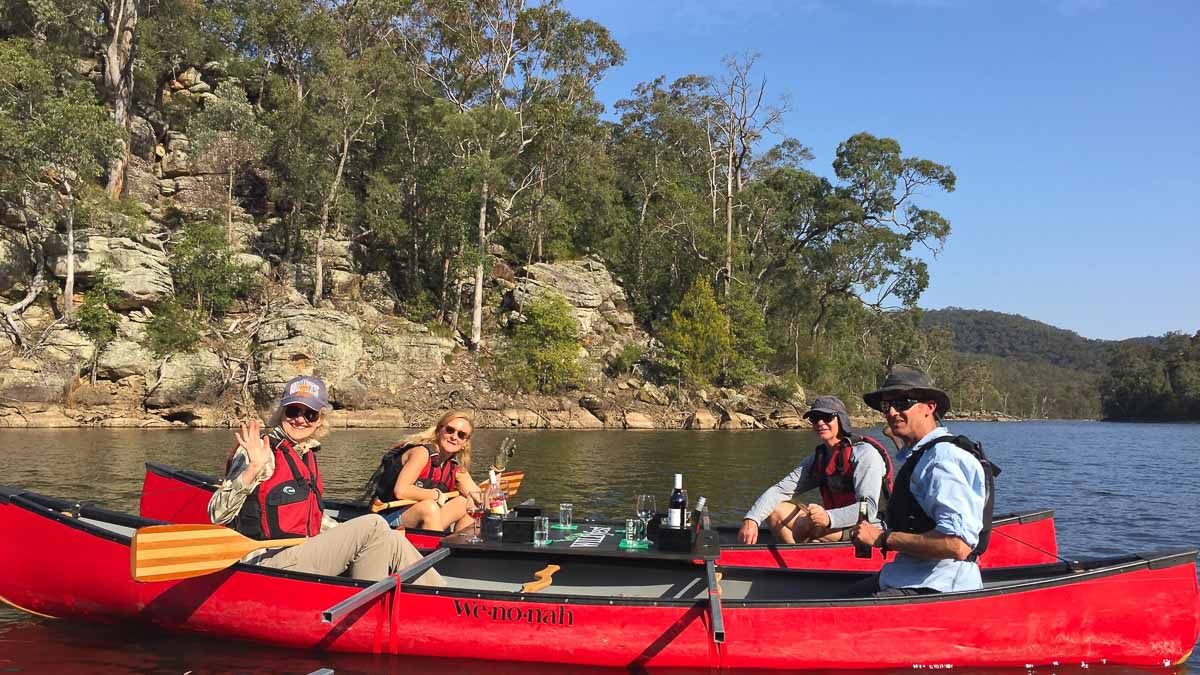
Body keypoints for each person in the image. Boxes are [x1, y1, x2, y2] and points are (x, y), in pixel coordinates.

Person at [207, 375, 444, 585]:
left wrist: (353, 534)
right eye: (293, 411)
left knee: (388, 536)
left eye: (309, 414)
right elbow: (217, 515)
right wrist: (253, 469)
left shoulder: (305, 453)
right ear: (281, 412)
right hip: (266, 561)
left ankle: (441, 600)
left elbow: (314, 520)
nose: (301, 419)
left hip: (301, 553)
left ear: (320, 420)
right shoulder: (259, 451)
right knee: (372, 525)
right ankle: (367, 611)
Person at [850, 364, 999, 596]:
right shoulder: (924, 454)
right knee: (839, 597)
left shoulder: (943, 459)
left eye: (902, 404)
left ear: (930, 407)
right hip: (905, 576)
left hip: (935, 587)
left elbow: (957, 545)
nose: (890, 413)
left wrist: (882, 538)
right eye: (886, 406)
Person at [738, 396, 893, 545]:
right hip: (834, 523)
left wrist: (828, 517)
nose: (820, 422)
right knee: (774, 510)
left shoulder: (865, 454)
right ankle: (797, 562)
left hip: (868, 528)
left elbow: (868, 509)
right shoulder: (819, 459)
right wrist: (751, 519)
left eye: (827, 417)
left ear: (841, 420)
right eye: (815, 418)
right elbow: (779, 490)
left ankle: (808, 552)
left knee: (809, 528)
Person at [366, 410, 483, 532]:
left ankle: (462, 547)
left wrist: (495, 485)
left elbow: (479, 498)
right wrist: (435, 495)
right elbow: (401, 491)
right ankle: (437, 547)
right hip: (386, 519)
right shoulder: (421, 453)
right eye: (450, 430)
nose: (454, 437)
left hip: (425, 517)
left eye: (461, 435)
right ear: (439, 430)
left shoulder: (455, 468)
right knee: (429, 506)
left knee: (467, 503)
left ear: (465, 442)